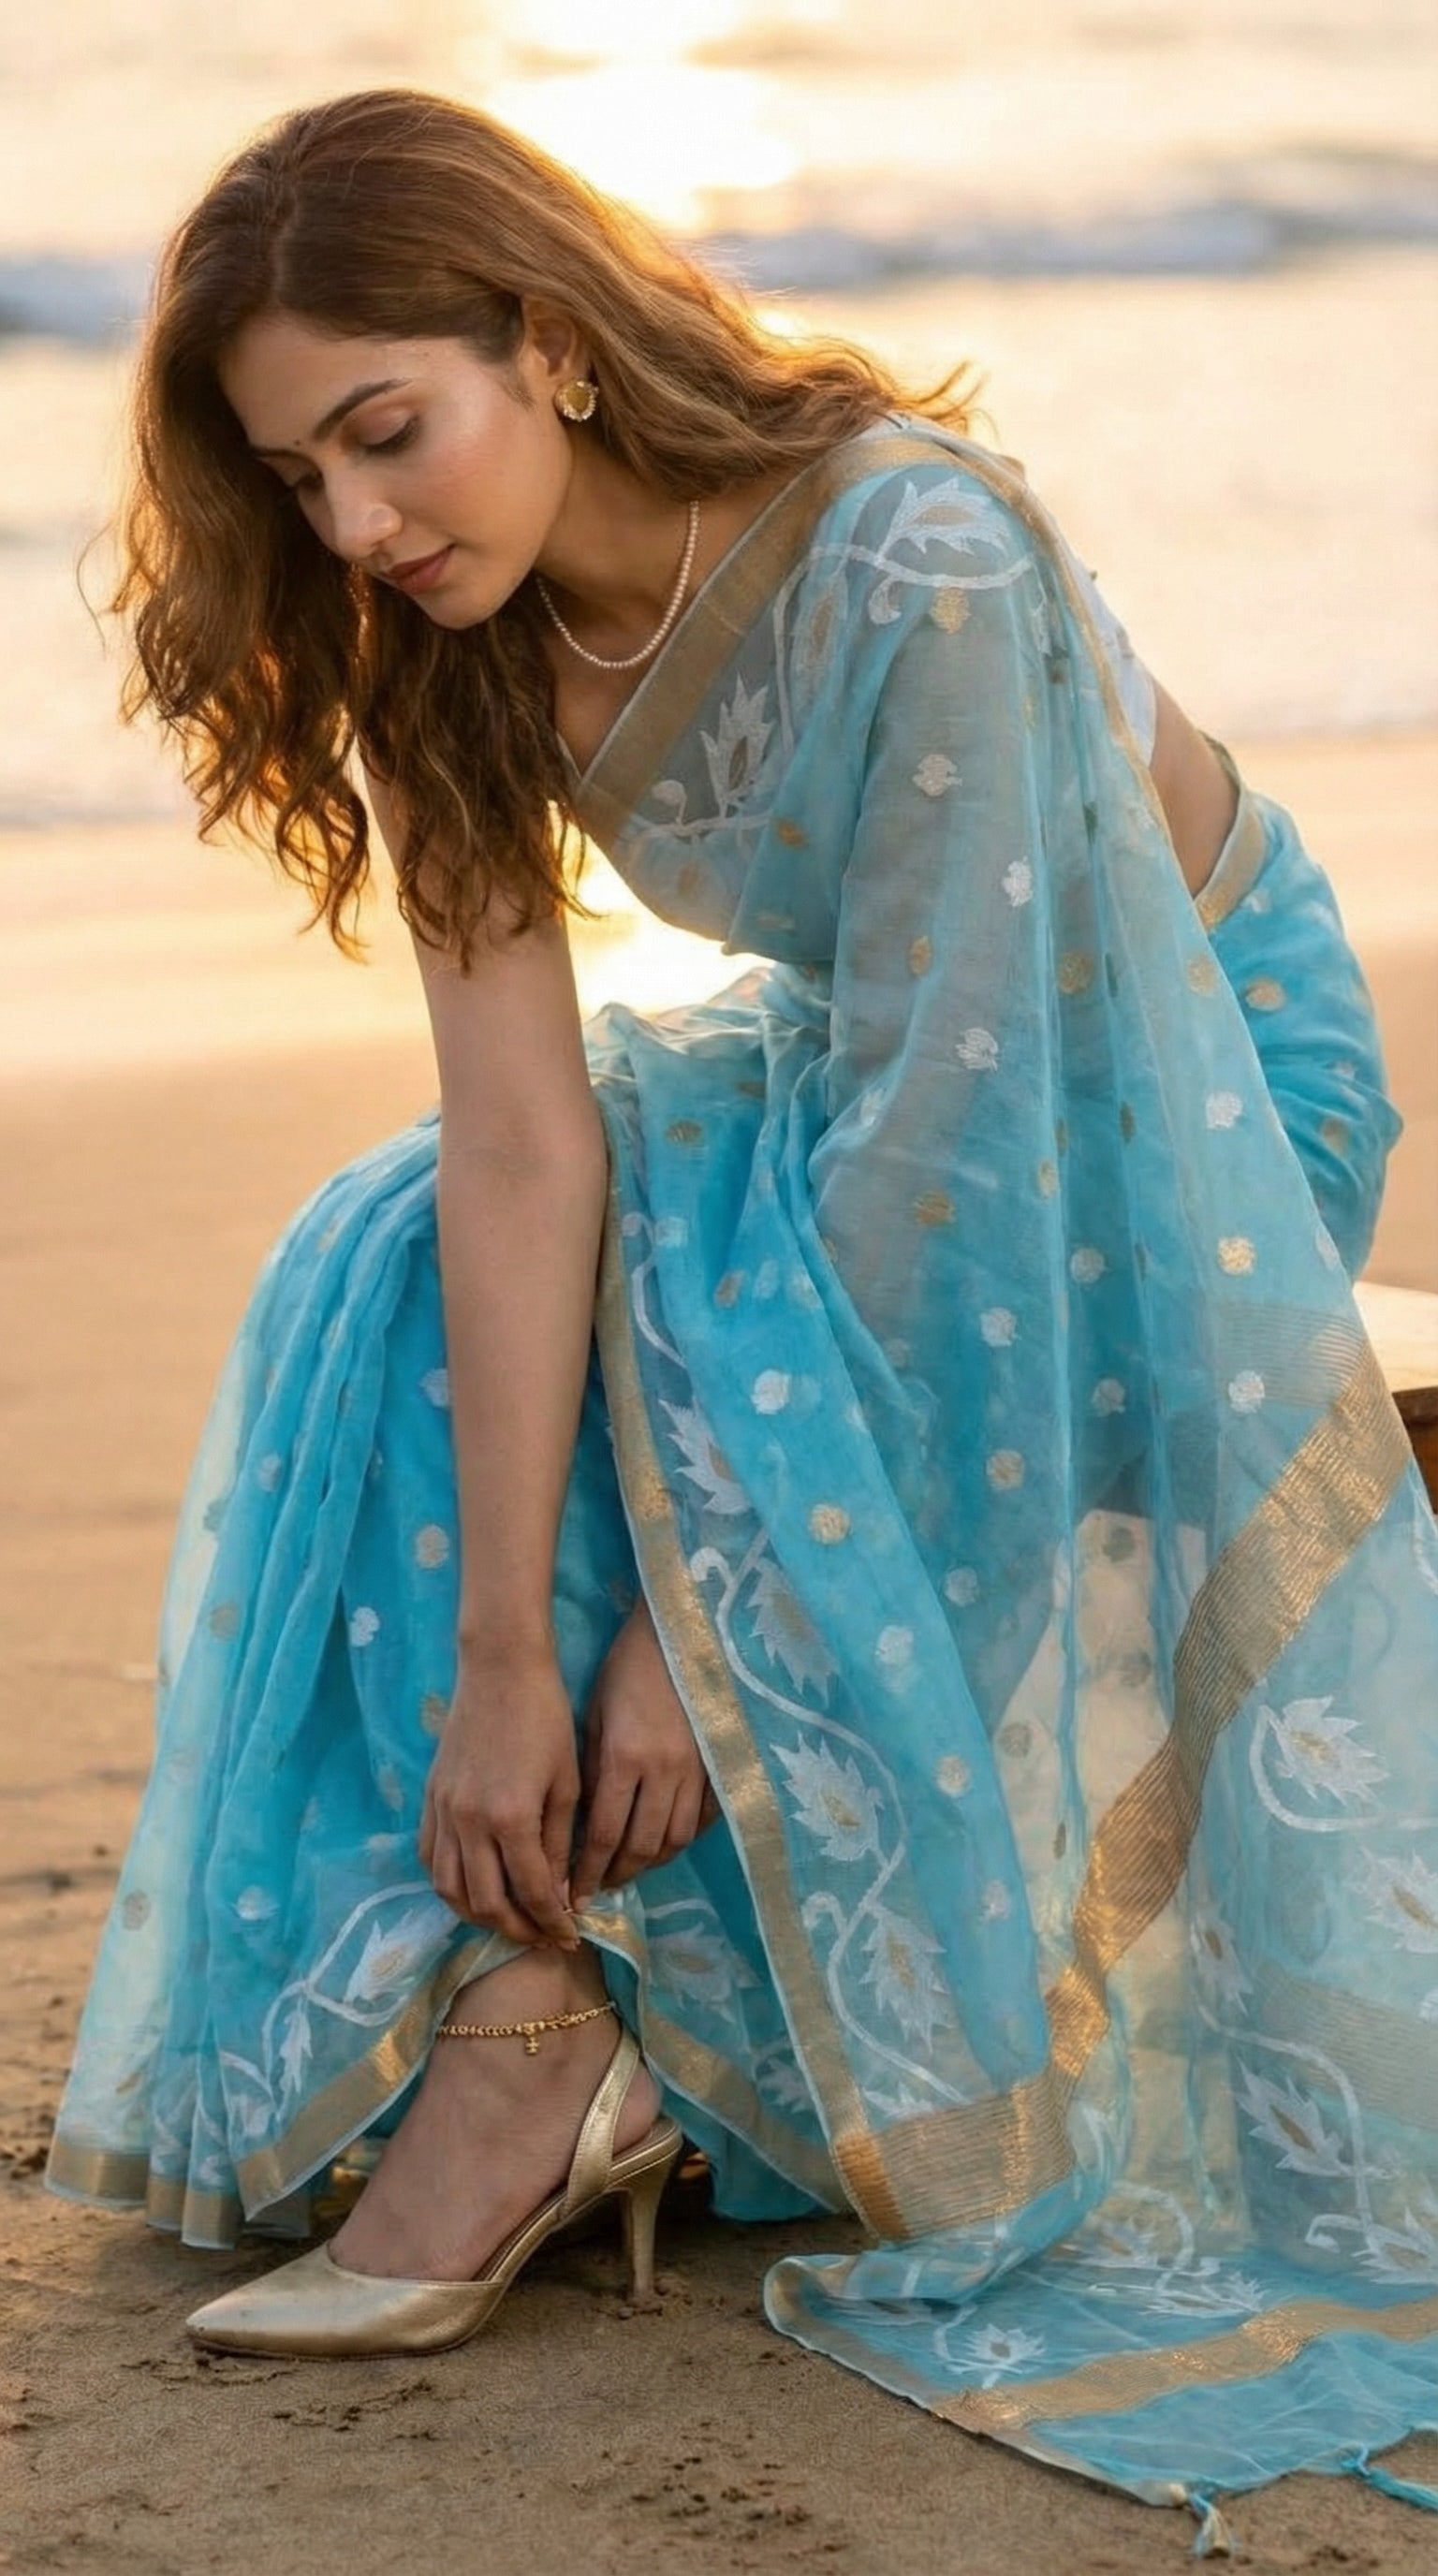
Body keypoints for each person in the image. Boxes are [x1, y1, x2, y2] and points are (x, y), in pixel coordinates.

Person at [45, 87, 1438, 2524]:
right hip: (896, 1061)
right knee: (386, 1246)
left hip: (1195, 1090)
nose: (358, 524)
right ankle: (516, 1996)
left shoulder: (911, 543)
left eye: (390, 435)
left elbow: (949, 1155)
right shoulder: (439, 647)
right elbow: (518, 1140)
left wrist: (692, 1641)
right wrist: (506, 1653)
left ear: (554, 345)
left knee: (721, 1342)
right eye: (300, 481)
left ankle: (586, 2037)